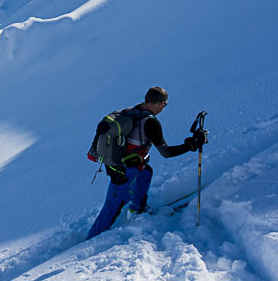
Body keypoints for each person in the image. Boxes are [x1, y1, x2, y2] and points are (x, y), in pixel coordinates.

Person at [85, 86, 207, 240]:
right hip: (122, 172)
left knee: (145, 172)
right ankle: (87, 243)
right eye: (165, 105)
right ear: (160, 104)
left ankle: (137, 209)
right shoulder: (150, 122)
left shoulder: (131, 111)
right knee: (110, 210)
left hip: (120, 166)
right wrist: (191, 145)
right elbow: (166, 153)